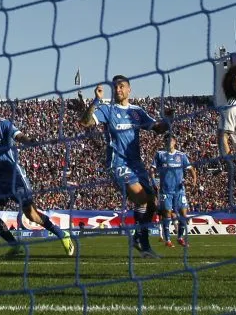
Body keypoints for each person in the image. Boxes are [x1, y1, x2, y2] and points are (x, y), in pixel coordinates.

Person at [0, 93, 75, 259]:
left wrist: (29, 141)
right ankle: (15, 245)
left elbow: (19, 135)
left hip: (14, 176)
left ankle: (62, 234)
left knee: (31, 215)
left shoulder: (3, 124)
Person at [72, 76, 169, 258]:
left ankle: (141, 241)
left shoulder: (137, 112)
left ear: (129, 89)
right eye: (115, 87)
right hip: (118, 164)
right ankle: (141, 240)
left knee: (152, 204)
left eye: (121, 86)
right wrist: (96, 101)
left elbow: (157, 128)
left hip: (137, 164)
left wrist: (168, 121)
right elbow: (85, 122)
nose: (118, 90)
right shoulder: (107, 109)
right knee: (142, 198)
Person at [151, 135, 197, 248]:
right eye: (166, 140)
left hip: (179, 190)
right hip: (166, 190)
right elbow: (152, 170)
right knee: (167, 214)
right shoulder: (160, 154)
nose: (168, 142)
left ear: (175, 142)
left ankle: (180, 238)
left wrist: (194, 181)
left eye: (170, 140)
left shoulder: (181, 155)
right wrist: (154, 182)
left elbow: (191, 169)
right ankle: (167, 240)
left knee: (183, 214)